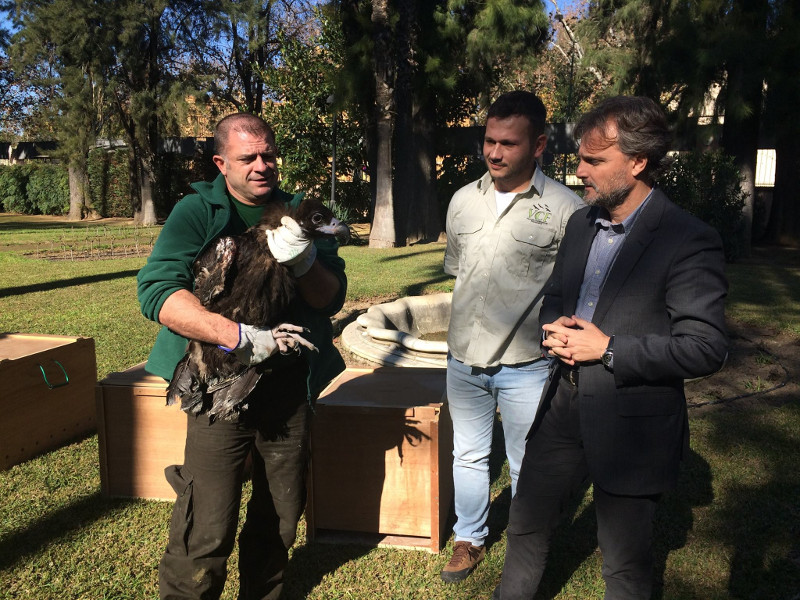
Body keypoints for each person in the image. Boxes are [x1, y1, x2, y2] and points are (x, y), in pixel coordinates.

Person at [493, 96, 729, 599]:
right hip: (562, 404)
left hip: (633, 421)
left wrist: (608, 349)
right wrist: (551, 329)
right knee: (525, 524)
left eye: (594, 161)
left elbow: (706, 347)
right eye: (580, 157)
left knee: (623, 564)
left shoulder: (688, 239)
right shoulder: (581, 224)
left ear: (638, 162)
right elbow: (555, 298)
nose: (579, 171)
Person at [137, 112, 347, 600]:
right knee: (206, 526)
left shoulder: (300, 210)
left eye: (268, 155)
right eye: (246, 157)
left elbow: (330, 298)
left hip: (287, 388)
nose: (261, 165)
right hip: (218, 387)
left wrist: (303, 259)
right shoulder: (197, 212)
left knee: (279, 520)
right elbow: (156, 290)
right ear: (220, 163)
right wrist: (236, 336)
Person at [441, 90, 584, 583]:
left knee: (528, 463)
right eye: (488, 140)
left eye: (508, 143)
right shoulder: (461, 201)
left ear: (539, 145)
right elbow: (458, 271)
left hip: (527, 363)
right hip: (463, 359)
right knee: (468, 453)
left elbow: (577, 288)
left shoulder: (569, 209)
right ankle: (469, 537)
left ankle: (528, 549)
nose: (495, 152)